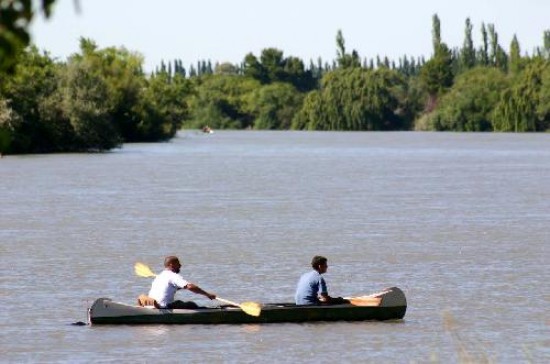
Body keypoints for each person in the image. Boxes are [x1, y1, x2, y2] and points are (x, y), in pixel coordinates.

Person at [147, 256, 216, 309]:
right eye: (178, 264)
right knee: (190, 304)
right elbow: (190, 287)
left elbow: (168, 289)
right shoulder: (173, 276)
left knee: (179, 302)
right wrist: (207, 294)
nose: (180, 265)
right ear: (171, 265)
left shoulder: (160, 276)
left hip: (152, 305)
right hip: (164, 307)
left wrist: (184, 286)